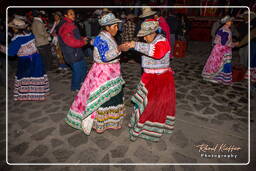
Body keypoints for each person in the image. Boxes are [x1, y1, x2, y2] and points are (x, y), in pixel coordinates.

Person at [65, 13, 126, 135]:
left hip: (111, 71)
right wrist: (119, 49)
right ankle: (101, 122)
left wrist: (91, 41)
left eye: (116, 26)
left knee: (113, 95)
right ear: (106, 27)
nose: (116, 28)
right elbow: (105, 57)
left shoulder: (106, 36)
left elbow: (94, 43)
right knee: (103, 97)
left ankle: (110, 120)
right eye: (114, 26)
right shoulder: (102, 38)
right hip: (103, 73)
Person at [124, 19, 176, 142]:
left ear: (151, 33)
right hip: (150, 78)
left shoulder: (163, 42)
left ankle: (148, 129)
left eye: (144, 36)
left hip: (160, 80)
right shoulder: (151, 41)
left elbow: (157, 52)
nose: (143, 39)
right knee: (144, 103)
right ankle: (140, 125)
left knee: (152, 105)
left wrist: (135, 45)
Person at [8, 18, 49, 101]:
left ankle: (29, 94)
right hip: (36, 58)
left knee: (25, 76)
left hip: (25, 60)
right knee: (37, 74)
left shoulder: (17, 40)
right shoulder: (30, 35)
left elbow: (11, 53)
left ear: (15, 29)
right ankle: (40, 94)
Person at [202, 15, 239, 85]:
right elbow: (223, 42)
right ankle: (211, 77)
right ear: (227, 22)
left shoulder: (224, 28)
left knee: (215, 62)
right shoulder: (225, 30)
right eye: (230, 21)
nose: (231, 22)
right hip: (221, 49)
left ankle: (213, 77)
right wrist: (234, 44)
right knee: (216, 63)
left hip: (219, 48)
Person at [58, 9, 88, 91]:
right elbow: (71, 41)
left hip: (76, 51)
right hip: (71, 52)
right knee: (77, 71)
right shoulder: (66, 26)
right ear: (66, 16)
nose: (73, 15)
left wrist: (82, 38)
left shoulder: (70, 24)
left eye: (73, 13)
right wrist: (83, 42)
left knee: (83, 67)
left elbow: (74, 37)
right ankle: (75, 87)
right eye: (71, 14)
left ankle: (82, 82)